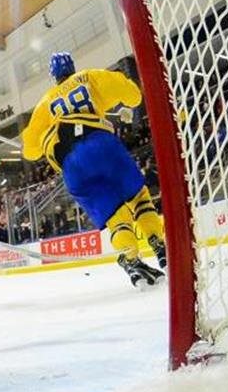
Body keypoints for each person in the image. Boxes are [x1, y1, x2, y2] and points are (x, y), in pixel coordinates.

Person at [21, 52, 167, 287]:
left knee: (115, 216)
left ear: (53, 75)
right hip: (102, 145)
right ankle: (157, 243)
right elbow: (132, 95)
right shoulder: (89, 77)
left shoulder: (45, 104)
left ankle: (131, 258)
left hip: (73, 167)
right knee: (138, 198)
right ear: (72, 66)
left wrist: (38, 137)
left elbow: (30, 151)